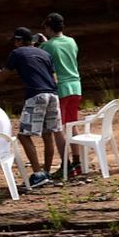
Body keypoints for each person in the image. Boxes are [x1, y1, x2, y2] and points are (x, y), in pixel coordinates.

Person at [0, 27, 62, 187]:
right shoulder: (45, 53)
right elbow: (55, 80)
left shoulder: (17, 53)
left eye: (15, 41)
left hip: (36, 95)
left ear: (19, 41)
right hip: (53, 94)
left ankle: (38, 174)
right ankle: (46, 172)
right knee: (48, 134)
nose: (14, 44)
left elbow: (1, 77)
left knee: (23, 135)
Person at [39, 12, 83, 177]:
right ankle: (77, 163)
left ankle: (67, 165)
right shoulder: (72, 41)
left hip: (61, 88)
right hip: (76, 86)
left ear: (49, 28)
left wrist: (44, 43)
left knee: (58, 128)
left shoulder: (47, 46)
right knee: (72, 125)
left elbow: (43, 57)